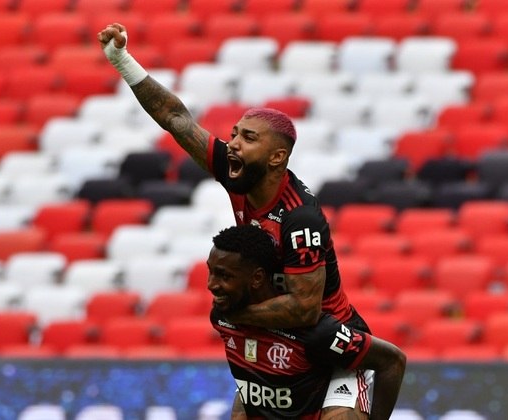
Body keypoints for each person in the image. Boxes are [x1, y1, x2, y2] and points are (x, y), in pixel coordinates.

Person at [98, 23, 386, 418]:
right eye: (234, 134)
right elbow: (175, 117)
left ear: (277, 158)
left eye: (248, 138)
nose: (232, 143)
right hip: (276, 338)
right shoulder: (238, 174)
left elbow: (305, 310)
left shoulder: (300, 218)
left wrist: (232, 315)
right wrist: (122, 61)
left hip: (329, 342)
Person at [208, 224, 406, 420]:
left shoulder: (315, 332)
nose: (211, 285)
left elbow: (392, 361)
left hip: (332, 383)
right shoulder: (222, 316)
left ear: (257, 278)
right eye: (211, 272)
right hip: (275, 391)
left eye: (225, 276)